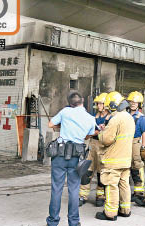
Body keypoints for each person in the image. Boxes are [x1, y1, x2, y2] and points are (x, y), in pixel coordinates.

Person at [46, 92, 96, 226]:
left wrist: (63, 126)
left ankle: (52, 221)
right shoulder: (90, 118)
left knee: (56, 188)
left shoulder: (65, 112)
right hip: (77, 157)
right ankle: (73, 222)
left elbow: (50, 124)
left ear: (69, 103)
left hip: (60, 156)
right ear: (83, 101)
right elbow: (88, 135)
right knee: (74, 190)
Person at [96, 91, 135, 221]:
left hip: (114, 160)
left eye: (108, 107)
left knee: (111, 185)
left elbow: (106, 140)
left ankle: (110, 213)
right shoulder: (129, 117)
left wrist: (102, 132)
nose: (108, 109)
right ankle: (125, 209)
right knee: (124, 184)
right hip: (125, 159)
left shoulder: (116, 119)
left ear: (113, 105)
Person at [79, 93, 109, 207]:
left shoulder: (110, 118)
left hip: (103, 146)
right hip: (92, 145)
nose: (98, 105)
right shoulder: (94, 116)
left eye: (100, 103)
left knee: (102, 173)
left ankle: (100, 196)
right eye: (97, 103)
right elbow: (87, 133)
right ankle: (82, 196)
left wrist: (97, 133)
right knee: (86, 171)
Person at [126, 91, 145, 203]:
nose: (133, 104)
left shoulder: (141, 118)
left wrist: (143, 146)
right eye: (131, 102)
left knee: (137, 165)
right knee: (127, 165)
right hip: (125, 142)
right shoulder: (126, 115)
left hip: (135, 143)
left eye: (135, 102)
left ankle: (139, 192)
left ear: (139, 104)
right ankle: (131, 191)